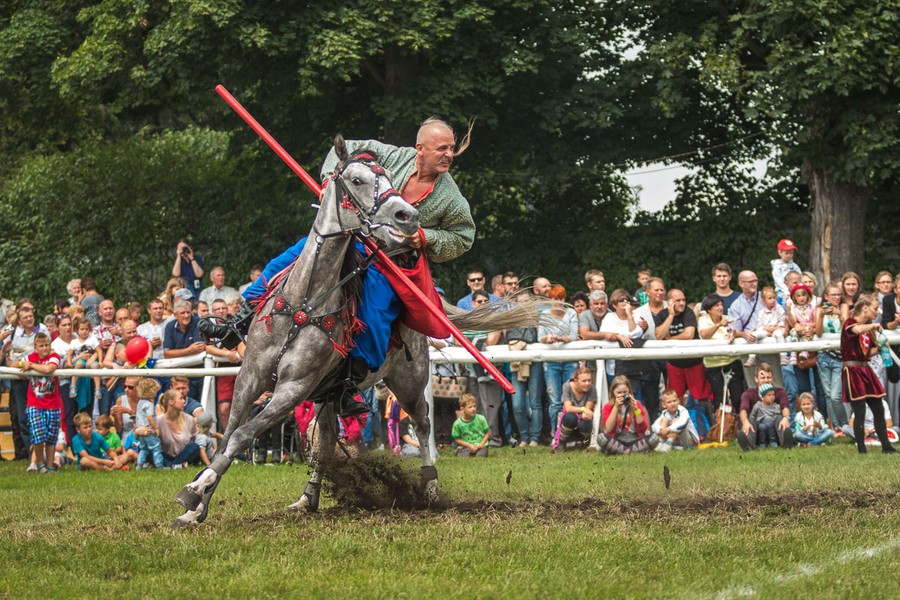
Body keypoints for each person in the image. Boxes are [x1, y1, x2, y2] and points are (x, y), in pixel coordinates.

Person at [198, 119, 475, 410]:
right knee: (286, 259)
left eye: (451, 148)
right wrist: (331, 181)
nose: (449, 154)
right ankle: (239, 320)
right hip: (352, 238)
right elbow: (346, 149)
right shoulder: (393, 156)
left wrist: (425, 237)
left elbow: (464, 236)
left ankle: (349, 384)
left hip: (388, 261)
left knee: (376, 314)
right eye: (441, 148)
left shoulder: (450, 197)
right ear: (419, 148)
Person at [840, 294, 896, 454]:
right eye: (874, 308)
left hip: (865, 369)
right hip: (852, 370)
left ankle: (886, 446)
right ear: (864, 308)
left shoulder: (868, 327)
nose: (876, 312)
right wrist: (873, 326)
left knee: (878, 408)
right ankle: (862, 449)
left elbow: (868, 352)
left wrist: (880, 347)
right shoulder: (850, 322)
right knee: (860, 411)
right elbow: (857, 329)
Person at [655, 289, 713, 416]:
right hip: (674, 363)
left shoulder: (688, 312)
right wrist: (670, 316)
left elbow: (689, 334)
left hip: (694, 361)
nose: (682, 303)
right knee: (675, 397)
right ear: (669, 302)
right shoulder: (662, 315)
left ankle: (709, 426)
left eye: (683, 300)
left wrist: (669, 339)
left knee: (702, 396)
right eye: (678, 300)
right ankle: (678, 424)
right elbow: (659, 335)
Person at [5, 299, 50, 462]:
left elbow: (48, 352)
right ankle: (33, 455)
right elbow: (9, 360)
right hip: (19, 381)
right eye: (25, 317)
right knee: (24, 419)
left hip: (40, 380)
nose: (29, 319)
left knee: (42, 416)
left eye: (31, 316)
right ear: (19, 319)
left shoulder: (42, 329)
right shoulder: (11, 332)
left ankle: (43, 453)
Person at [20, 332, 63, 474]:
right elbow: (14, 363)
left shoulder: (54, 356)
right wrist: (22, 363)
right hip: (34, 403)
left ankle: (49, 466)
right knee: (38, 435)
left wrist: (31, 366)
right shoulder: (30, 357)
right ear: (35, 347)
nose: (44, 348)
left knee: (51, 437)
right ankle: (40, 464)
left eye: (47, 345)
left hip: (53, 404)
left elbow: (49, 369)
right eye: (41, 346)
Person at [539, 284, 579, 436]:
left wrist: (560, 338)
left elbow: (574, 336)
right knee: (554, 401)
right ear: (550, 300)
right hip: (551, 362)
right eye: (555, 299)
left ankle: (571, 433)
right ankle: (556, 435)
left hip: (570, 360)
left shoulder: (572, 313)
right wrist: (547, 338)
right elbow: (539, 337)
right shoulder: (544, 314)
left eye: (560, 298)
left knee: (571, 398)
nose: (558, 302)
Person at [506, 290, 543, 447]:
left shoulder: (537, 318)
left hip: (534, 361)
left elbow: (536, 337)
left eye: (528, 301)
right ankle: (524, 437)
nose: (525, 304)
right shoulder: (509, 319)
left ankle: (534, 438)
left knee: (535, 402)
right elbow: (507, 337)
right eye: (522, 301)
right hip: (516, 361)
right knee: (517, 404)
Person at [698, 294, 745, 414]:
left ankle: (739, 426)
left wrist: (734, 333)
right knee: (719, 400)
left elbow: (737, 332)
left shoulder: (729, 318)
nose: (720, 308)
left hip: (732, 361)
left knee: (737, 398)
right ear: (709, 309)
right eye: (716, 305)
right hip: (713, 365)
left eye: (721, 305)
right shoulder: (703, 320)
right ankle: (721, 429)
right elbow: (704, 334)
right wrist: (719, 324)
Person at [736, 363, 793, 451]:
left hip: (775, 430)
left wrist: (786, 418)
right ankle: (749, 444)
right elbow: (743, 409)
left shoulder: (780, 392)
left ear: (772, 378)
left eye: (768, 377)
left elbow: (785, 407)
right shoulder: (748, 394)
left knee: (780, 417)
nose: (766, 380)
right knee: (750, 420)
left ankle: (785, 442)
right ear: (756, 379)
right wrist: (745, 422)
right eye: (763, 377)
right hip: (758, 430)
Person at [816, 283, 849, 435]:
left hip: (839, 356)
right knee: (828, 395)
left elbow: (846, 328)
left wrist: (838, 313)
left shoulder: (843, 307)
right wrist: (822, 315)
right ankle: (835, 427)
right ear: (826, 297)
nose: (836, 297)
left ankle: (844, 424)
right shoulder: (819, 309)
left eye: (838, 295)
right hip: (823, 355)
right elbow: (818, 332)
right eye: (833, 295)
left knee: (836, 395)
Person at [597, 376, 659, 455]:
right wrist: (616, 407)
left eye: (625, 392)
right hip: (617, 439)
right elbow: (609, 429)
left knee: (654, 438)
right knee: (601, 438)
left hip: (635, 438)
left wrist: (636, 409)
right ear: (613, 392)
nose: (622, 395)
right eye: (619, 392)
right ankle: (633, 451)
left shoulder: (637, 404)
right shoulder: (608, 406)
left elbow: (643, 429)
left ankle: (620, 451)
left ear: (629, 391)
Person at [598, 288, 643, 391]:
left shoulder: (636, 315)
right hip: (614, 367)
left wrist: (629, 315)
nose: (625, 302)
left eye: (627, 299)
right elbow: (605, 334)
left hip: (633, 366)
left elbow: (635, 334)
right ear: (614, 305)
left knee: (635, 398)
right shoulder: (609, 317)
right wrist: (620, 337)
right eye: (621, 300)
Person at [163, 302, 205, 400]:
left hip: (198, 372)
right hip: (178, 374)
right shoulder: (170, 326)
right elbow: (167, 354)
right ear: (175, 315)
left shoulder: (197, 321)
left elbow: (199, 348)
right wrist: (189, 350)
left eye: (188, 312)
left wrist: (177, 352)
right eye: (182, 313)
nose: (186, 316)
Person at [153, 387, 200, 467]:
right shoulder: (158, 421)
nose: (184, 401)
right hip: (166, 455)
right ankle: (176, 465)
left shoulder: (189, 419)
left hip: (184, 455)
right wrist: (137, 432)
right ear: (171, 402)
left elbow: (199, 437)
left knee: (194, 448)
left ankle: (171, 465)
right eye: (181, 398)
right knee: (151, 451)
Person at [554, 367, 597, 452]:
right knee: (570, 417)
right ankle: (562, 443)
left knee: (587, 421)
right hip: (569, 418)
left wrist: (585, 411)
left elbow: (588, 410)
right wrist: (583, 409)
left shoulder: (592, 389)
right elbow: (568, 408)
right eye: (584, 381)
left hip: (583, 419)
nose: (587, 383)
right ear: (576, 380)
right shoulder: (567, 386)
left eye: (589, 380)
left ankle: (585, 443)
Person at [50, 314, 77, 443]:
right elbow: (60, 367)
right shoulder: (55, 345)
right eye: (64, 325)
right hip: (65, 383)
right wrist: (77, 358)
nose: (67, 328)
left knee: (85, 414)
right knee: (70, 416)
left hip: (84, 382)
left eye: (69, 324)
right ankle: (74, 448)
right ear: (57, 327)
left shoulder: (79, 338)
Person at [744, 287, 786, 368]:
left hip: (777, 329)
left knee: (779, 334)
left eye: (774, 298)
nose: (773, 300)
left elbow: (782, 320)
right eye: (770, 298)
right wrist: (766, 329)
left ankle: (783, 355)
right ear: (763, 300)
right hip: (766, 330)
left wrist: (774, 328)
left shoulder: (779, 309)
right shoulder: (761, 312)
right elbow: (760, 325)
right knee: (754, 335)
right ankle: (752, 357)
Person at [67, 316, 102, 408]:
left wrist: (100, 361)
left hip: (91, 361)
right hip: (79, 360)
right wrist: (69, 362)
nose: (84, 331)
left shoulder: (92, 339)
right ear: (77, 330)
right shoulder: (74, 342)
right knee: (78, 364)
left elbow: (99, 351)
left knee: (95, 366)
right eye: (82, 329)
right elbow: (69, 354)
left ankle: (97, 388)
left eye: (86, 329)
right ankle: (73, 385)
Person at [134, 378, 164, 469]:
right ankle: (159, 466)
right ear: (150, 392)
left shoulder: (140, 402)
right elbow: (150, 417)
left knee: (143, 449)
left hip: (141, 430)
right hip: (149, 430)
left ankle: (138, 466)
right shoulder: (149, 404)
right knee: (156, 448)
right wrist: (156, 428)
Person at [750, 384, 782, 448]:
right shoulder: (758, 405)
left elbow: (777, 416)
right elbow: (752, 416)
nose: (772, 397)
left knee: (770, 423)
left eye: (773, 395)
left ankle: (773, 440)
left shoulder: (776, 406)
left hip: (772, 423)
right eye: (769, 395)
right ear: (762, 397)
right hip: (761, 422)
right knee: (762, 427)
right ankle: (762, 442)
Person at [771, 238, 801, 305]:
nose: (789, 255)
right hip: (781, 291)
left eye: (791, 253)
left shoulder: (794, 266)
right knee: (786, 302)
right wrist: (787, 292)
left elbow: (800, 276)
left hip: (795, 289)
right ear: (780, 252)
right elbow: (779, 281)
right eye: (786, 253)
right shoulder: (777, 267)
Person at [110, 376, 140, 442]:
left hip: (142, 436)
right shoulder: (120, 400)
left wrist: (129, 412)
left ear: (138, 388)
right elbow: (119, 429)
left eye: (130, 387)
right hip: (126, 438)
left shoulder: (145, 400)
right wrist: (115, 417)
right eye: (125, 386)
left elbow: (146, 424)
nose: (126, 389)